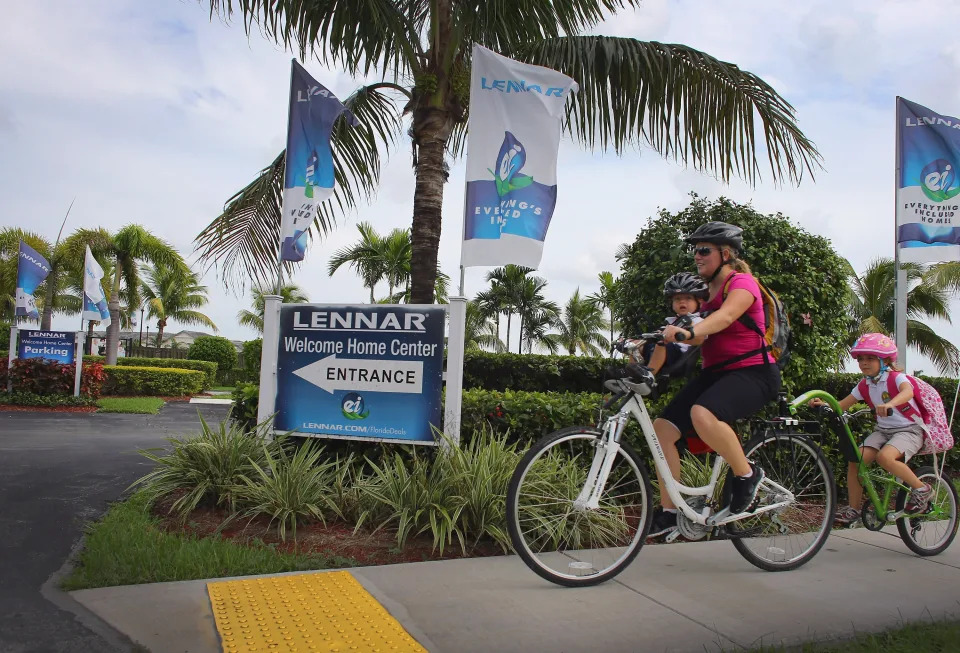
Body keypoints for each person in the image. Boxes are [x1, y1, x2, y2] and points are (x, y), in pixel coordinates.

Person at [648, 221, 782, 538]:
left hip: (754, 373)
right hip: (717, 374)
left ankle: (747, 475)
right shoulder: (704, 296)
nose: (697, 256)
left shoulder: (742, 284)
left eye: (703, 250)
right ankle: (670, 511)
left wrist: (691, 329)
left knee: (702, 413)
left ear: (726, 253)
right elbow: (694, 338)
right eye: (694, 250)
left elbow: (725, 318)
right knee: (662, 429)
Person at [809, 333, 932, 525]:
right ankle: (854, 510)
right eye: (861, 359)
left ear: (884, 361)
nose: (864, 363)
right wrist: (824, 404)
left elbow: (908, 392)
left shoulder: (896, 378)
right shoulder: (864, 385)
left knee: (885, 458)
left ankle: (923, 490)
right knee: (856, 460)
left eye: (870, 358)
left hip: (909, 430)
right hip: (883, 431)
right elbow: (841, 406)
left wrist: (891, 404)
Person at [626, 272, 707, 376]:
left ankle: (649, 376)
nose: (682, 302)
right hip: (663, 351)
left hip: (679, 355)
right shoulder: (672, 321)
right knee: (635, 345)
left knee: (661, 341)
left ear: (699, 301)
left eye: (688, 298)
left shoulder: (698, 320)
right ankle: (630, 376)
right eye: (677, 299)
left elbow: (700, 337)